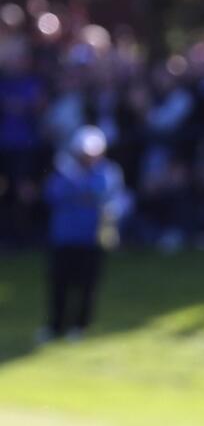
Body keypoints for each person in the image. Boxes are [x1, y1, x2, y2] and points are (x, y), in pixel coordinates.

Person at [41, 125, 129, 342]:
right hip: (64, 237)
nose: (89, 157)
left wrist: (80, 189)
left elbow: (108, 196)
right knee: (59, 284)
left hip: (92, 238)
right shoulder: (63, 170)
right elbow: (53, 195)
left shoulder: (108, 171)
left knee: (87, 285)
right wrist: (82, 190)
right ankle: (55, 327)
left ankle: (80, 326)